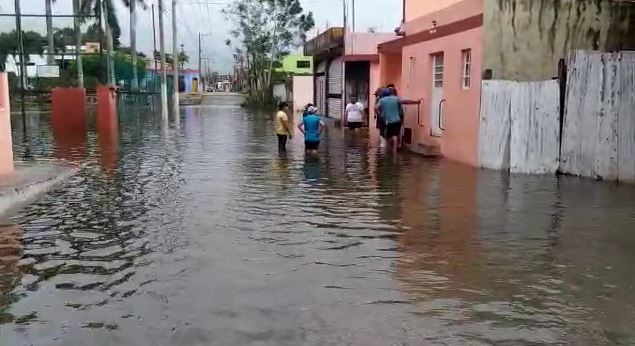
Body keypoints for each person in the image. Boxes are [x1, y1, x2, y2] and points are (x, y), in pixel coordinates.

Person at [376, 88, 404, 155]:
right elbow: (405, 103)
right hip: (398, 120)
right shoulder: (396, 99)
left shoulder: (382, 100)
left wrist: (380, 115)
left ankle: (389, 151)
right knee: (395, 135)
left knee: (389, 136)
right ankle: (394, 152)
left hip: (389, 121)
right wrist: (416, 102)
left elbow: (375, 108)